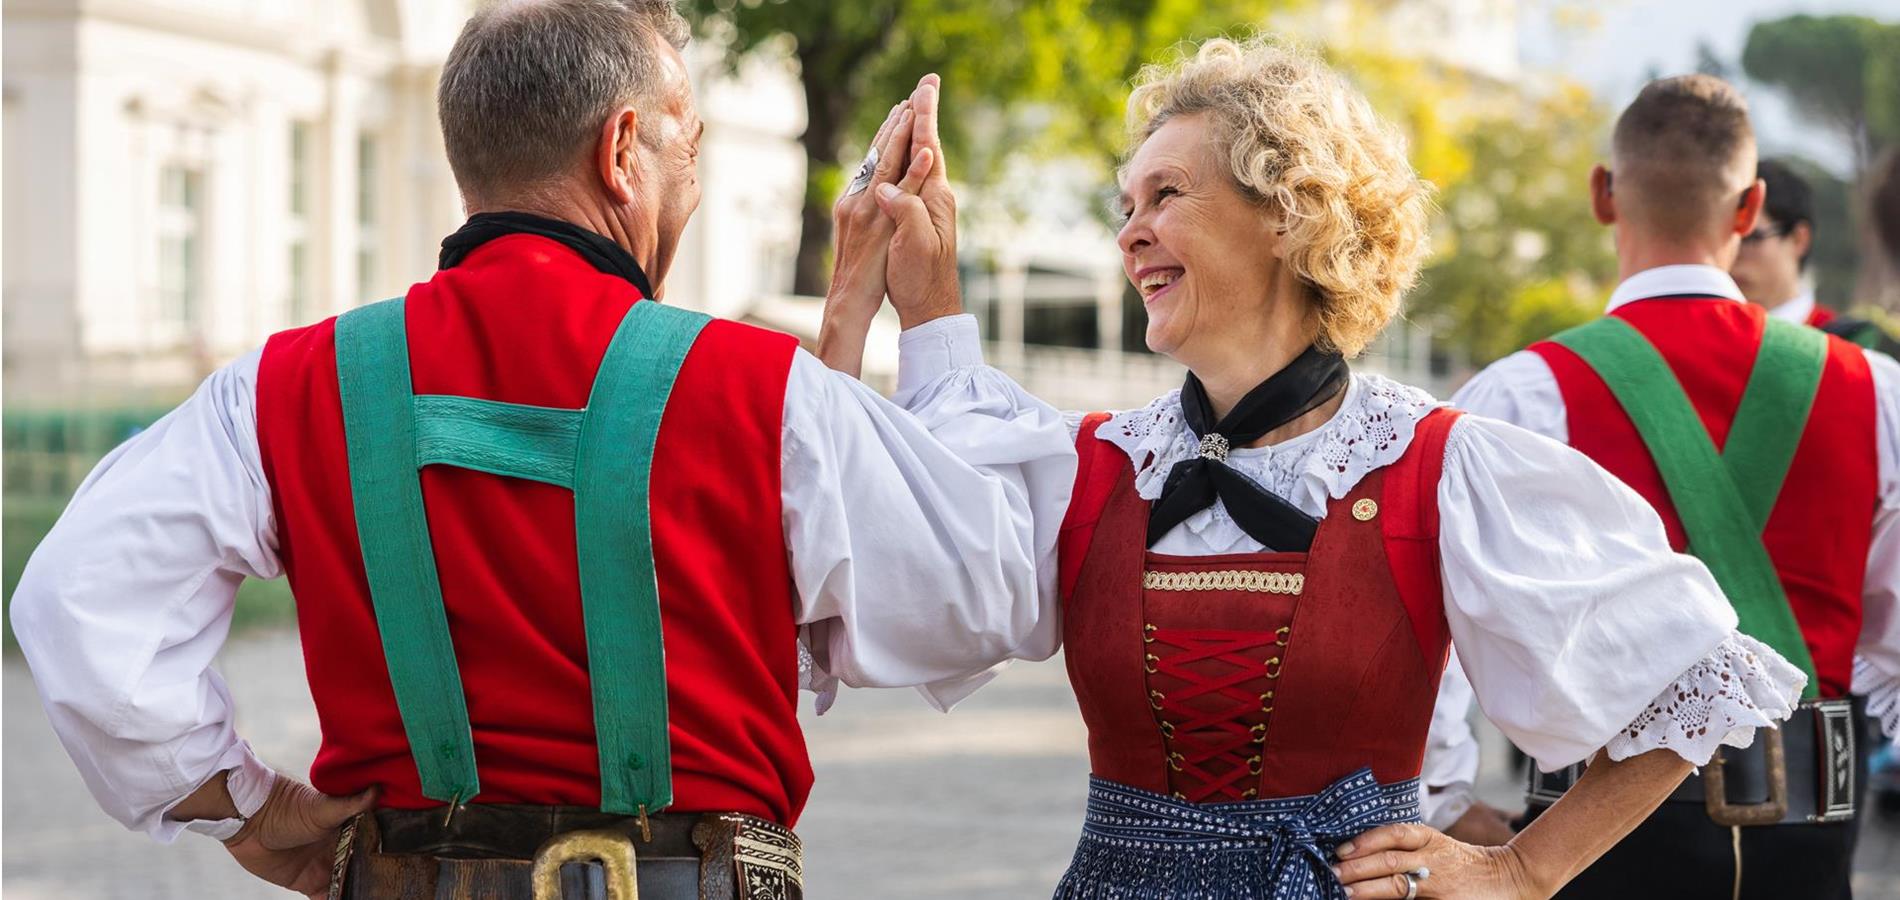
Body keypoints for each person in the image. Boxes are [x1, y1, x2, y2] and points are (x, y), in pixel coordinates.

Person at [8, 2, 1073, 898]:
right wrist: (931, 322)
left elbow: (78, 602)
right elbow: (990, 590)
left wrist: (242, 803)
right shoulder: (758, 389)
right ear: (621, 152)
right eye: (688, 148)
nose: (692, 186)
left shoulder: (280, 386)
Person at [829, 39, 1807, 900]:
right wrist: (900, 300)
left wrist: (1520, 872)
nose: (1128, 231)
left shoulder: (1438, 464)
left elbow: (1695, 677)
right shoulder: (1095, 468)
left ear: (1288, 216)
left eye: (1166, 194)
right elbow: (900, 530)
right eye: (1125, 204)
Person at [1439, 74, 1900, 900]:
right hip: (1813, 835)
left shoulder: (1513, 398)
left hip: (1588, 837)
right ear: (1749, 204)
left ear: (1603, 194)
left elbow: (1437, 626)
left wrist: (1448, 794)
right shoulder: (1879, 391)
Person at [1731, 158, 1899, 353]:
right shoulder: (1709, 337)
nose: (1733, 253)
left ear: (1798, 239)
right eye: (1726, 237)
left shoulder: (1850, 345)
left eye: (1751, 238)